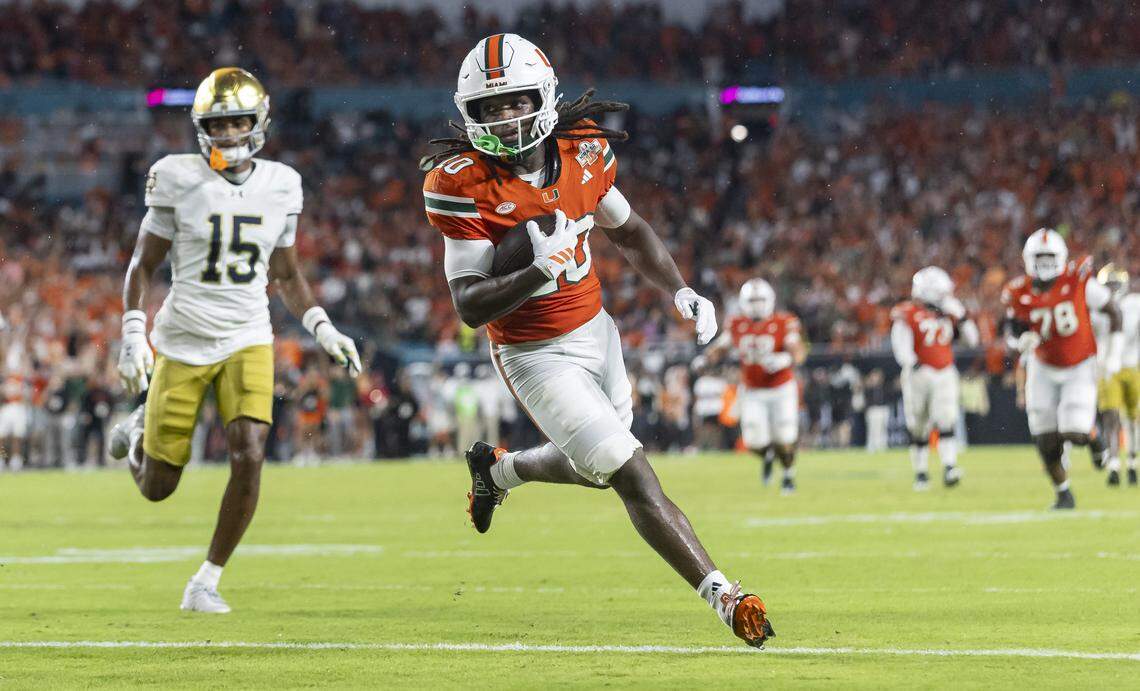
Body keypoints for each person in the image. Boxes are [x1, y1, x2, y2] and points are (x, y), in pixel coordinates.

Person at [422, 34, 773, 648]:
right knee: (630, 471)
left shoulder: (584, 152)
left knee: (597, 471)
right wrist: (538, 273)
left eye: (516, 101)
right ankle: (726, 596)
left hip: (597, 332)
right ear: (468, 114)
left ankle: (500, 474)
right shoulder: (461, 185)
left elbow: (630, 231)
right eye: (490, 108)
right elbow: (470, 305)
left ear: (545, 97)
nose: (505, 117)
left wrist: (681, 291)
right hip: (533, 355)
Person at [108, 67, 361, 613]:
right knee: (157, 487)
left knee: (249, 453)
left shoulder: (282, 183)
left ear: (258, 123)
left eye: (238, 122)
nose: (228, 135)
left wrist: (323, 326)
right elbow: (141, 264)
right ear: (201, 128)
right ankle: (136, 433)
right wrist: (132, 331)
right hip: (182, 337)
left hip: (248, 335)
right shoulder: (174, 176)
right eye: (218, 125)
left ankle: (205, 581)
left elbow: (288, 276)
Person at [1001, 229, 1121, 509]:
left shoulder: (1078, 281)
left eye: (1049, 257)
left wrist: (1111, 355)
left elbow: (1113, 311)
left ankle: (1093, 437)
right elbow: (1011, 330)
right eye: (1039, 258)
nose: (1044, 263)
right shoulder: (1019, 290)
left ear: (1061, 257)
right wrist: (1020, 341)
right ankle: (1063, 492)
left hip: (1078, 364)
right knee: (1044, 437)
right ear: (1029, 259)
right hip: (1042, 366)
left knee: (1074, 431)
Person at [704, 278, 806, 493]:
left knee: (785, 436)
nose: (757, 304)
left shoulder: (784, 321)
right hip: (752, 390)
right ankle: (768, 455)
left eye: (761, 299)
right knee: (754, 442)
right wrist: (706, 358)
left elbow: (797, 348)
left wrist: (785, 359)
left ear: (770, 300)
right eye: (753, 300)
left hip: (781, 388)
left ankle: (788, 475)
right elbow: (721, 347)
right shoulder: (736, 323)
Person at [890, 267, 979, 490]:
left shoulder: (948, 313)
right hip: (919, 374)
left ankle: (949, 467)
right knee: (918, 425)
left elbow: (973, 340)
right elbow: (901, 347)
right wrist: (914, 364)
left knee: (946, 419)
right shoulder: (907, 312)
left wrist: (962, 317)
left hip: (945, 372)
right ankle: (921, 473)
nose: (945, 297)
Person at [1092, 264, 1140, 487]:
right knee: (1111, 417)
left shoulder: (1135, 304)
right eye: (1108, 284)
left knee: (1133, 419)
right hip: (1107, 370)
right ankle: (1113, 465)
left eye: (1115, 284)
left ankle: (1132, 462)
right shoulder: (1096, 309)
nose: (1112, 289)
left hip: (1132, 366)